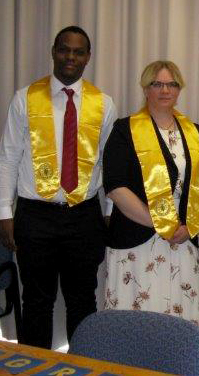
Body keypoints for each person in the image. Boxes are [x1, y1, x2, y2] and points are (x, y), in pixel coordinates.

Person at [0, 26, 117, 348]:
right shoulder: (24, 98)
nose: (70, 57)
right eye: (64, 49)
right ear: (53, 51)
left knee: (83, 301)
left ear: (88, 58)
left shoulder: (103, 104)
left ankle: (83, 365)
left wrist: (108, 211)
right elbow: (8, 158)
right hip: (35, 215)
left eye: (78, 52)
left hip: (84, 216)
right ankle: (35, 367)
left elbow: (109, 162)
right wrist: (3, 213)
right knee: (37, 302)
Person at [102, 61, 199, 328]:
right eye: (157, 84)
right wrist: (160, 223)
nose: (165, 90)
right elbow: (115, 186)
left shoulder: (193, 131)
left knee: (179, 321)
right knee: (135, 322)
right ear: (145, 88)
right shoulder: (124, 129)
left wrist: (190, 226)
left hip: (181, 240)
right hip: (135, 241)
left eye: (172, 84)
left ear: (179, 89)